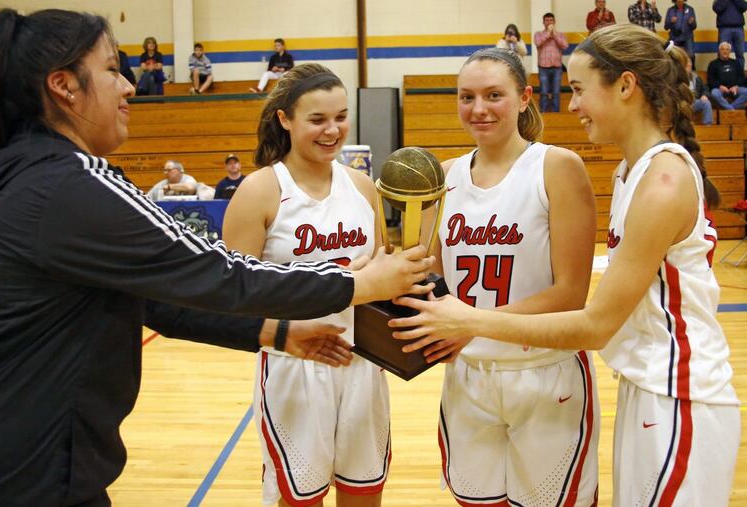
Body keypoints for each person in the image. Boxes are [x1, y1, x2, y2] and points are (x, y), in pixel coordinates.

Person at [0, 9, 435, 506]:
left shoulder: (21, 174)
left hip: (28, 457)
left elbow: (158, 303)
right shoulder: (73, 186)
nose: (129, 87)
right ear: (63, 86)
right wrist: (362, 285)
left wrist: (279, 332)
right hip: (33, 470)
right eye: (113, 69)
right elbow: (222, 274)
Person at [392, 24, 740, 506]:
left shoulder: (659, 179)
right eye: (465, 96)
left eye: (577, 90)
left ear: (624, 86)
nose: (571, 105)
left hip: (677, 386)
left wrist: (466, 320)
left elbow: (593, 322)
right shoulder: (631, 172)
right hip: (646, 384)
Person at [412, 46, 600, 506]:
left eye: (494, 95)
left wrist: (471, 323)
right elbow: (430, 276)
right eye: (466, 97)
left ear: (524, 98)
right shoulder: (444, 175)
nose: (478, 109)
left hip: (544, 371)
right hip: (468, 374)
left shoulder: (556, 167)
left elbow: (571, 294)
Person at [224, 63, 389, 507]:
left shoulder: (361, 186)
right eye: (317, 119)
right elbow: (233, 299)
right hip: (293, 365)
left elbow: (381, 273)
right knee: (300, 500)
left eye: (340, 116)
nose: (332, 130)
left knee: (365, 493)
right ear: (285, 119)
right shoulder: (260, 191)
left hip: (361, 361)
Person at [534, 12, 568, 113]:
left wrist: (555, 36)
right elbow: (538, 43)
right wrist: (548, 34)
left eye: (551, 20)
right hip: (543, 67)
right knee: (544, 92)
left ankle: (555, 115)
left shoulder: (560, 35)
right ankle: (543, 114)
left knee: (556, 93)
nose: (549, 22)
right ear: (543, 22)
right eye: (547, 20)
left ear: (554, 22)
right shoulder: (538, 34)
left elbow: (565, 46)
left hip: (557, 67)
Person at [707, 41, 747, 109]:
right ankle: (731, 109)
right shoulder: (713, 64)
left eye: (727, 49)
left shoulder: (736, 63)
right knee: (714, 93)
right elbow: (710, 80)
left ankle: (729, 108)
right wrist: (720, 86)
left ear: (730, 51)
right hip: (720, 89)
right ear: (719, 51)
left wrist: (736, 86)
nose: (725, 51)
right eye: (723, 49)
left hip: (735, 89)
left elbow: (742, 78)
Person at [712, 0, 747, 71]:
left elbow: (744, 7)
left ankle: (739, 75)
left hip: (739, 28)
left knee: (740, 54)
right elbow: (717, 8)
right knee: (722, 54)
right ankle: (722, 74)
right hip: (724, 28)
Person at [665, 0, 697, 64]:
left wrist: (691, 23)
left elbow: (694, 26)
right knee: (671, 55)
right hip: (674, 37)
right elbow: (666, 27)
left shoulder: (690, 9)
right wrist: (671, 22)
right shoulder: (670, 10)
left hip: (687, 36)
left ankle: (692, 71)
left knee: (691, 55)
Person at [687, 56, 713, 125]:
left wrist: (704, 95)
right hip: (683, 103)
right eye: (687, 63)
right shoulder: (677, 78)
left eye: (690, 63)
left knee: (706, 103)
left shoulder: (696, 77)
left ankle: (708, 126)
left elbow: (705, 88)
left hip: (695, 101)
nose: (689, 65)